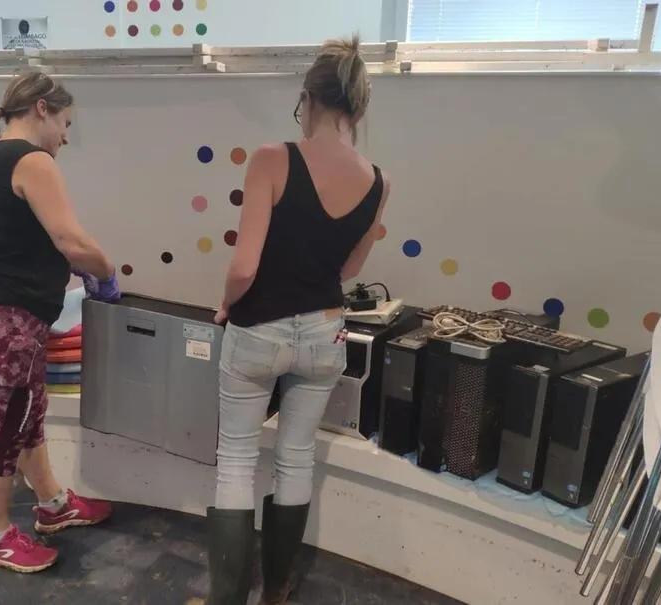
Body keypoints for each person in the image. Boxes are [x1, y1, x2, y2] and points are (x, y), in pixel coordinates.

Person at [206, 35, 389, 604]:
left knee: (237, 460)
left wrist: (227, 304)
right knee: (295, 458)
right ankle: (277, 590)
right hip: (325, 331)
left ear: (307, 99)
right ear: (357, 109)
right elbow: (351, 267)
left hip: (258, 330)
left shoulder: (273, 159)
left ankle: (228, 598)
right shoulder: (379, 181)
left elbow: (244, 267)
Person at [0, 72, 121, 574]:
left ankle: (52, 504)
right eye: (65, 124)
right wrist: (107, 271)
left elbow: (21, 241)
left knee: (26, 412)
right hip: (1, 316)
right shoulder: (31, 159)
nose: (65, 136)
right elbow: (71, 240)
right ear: (43, 109)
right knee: (7, 426)